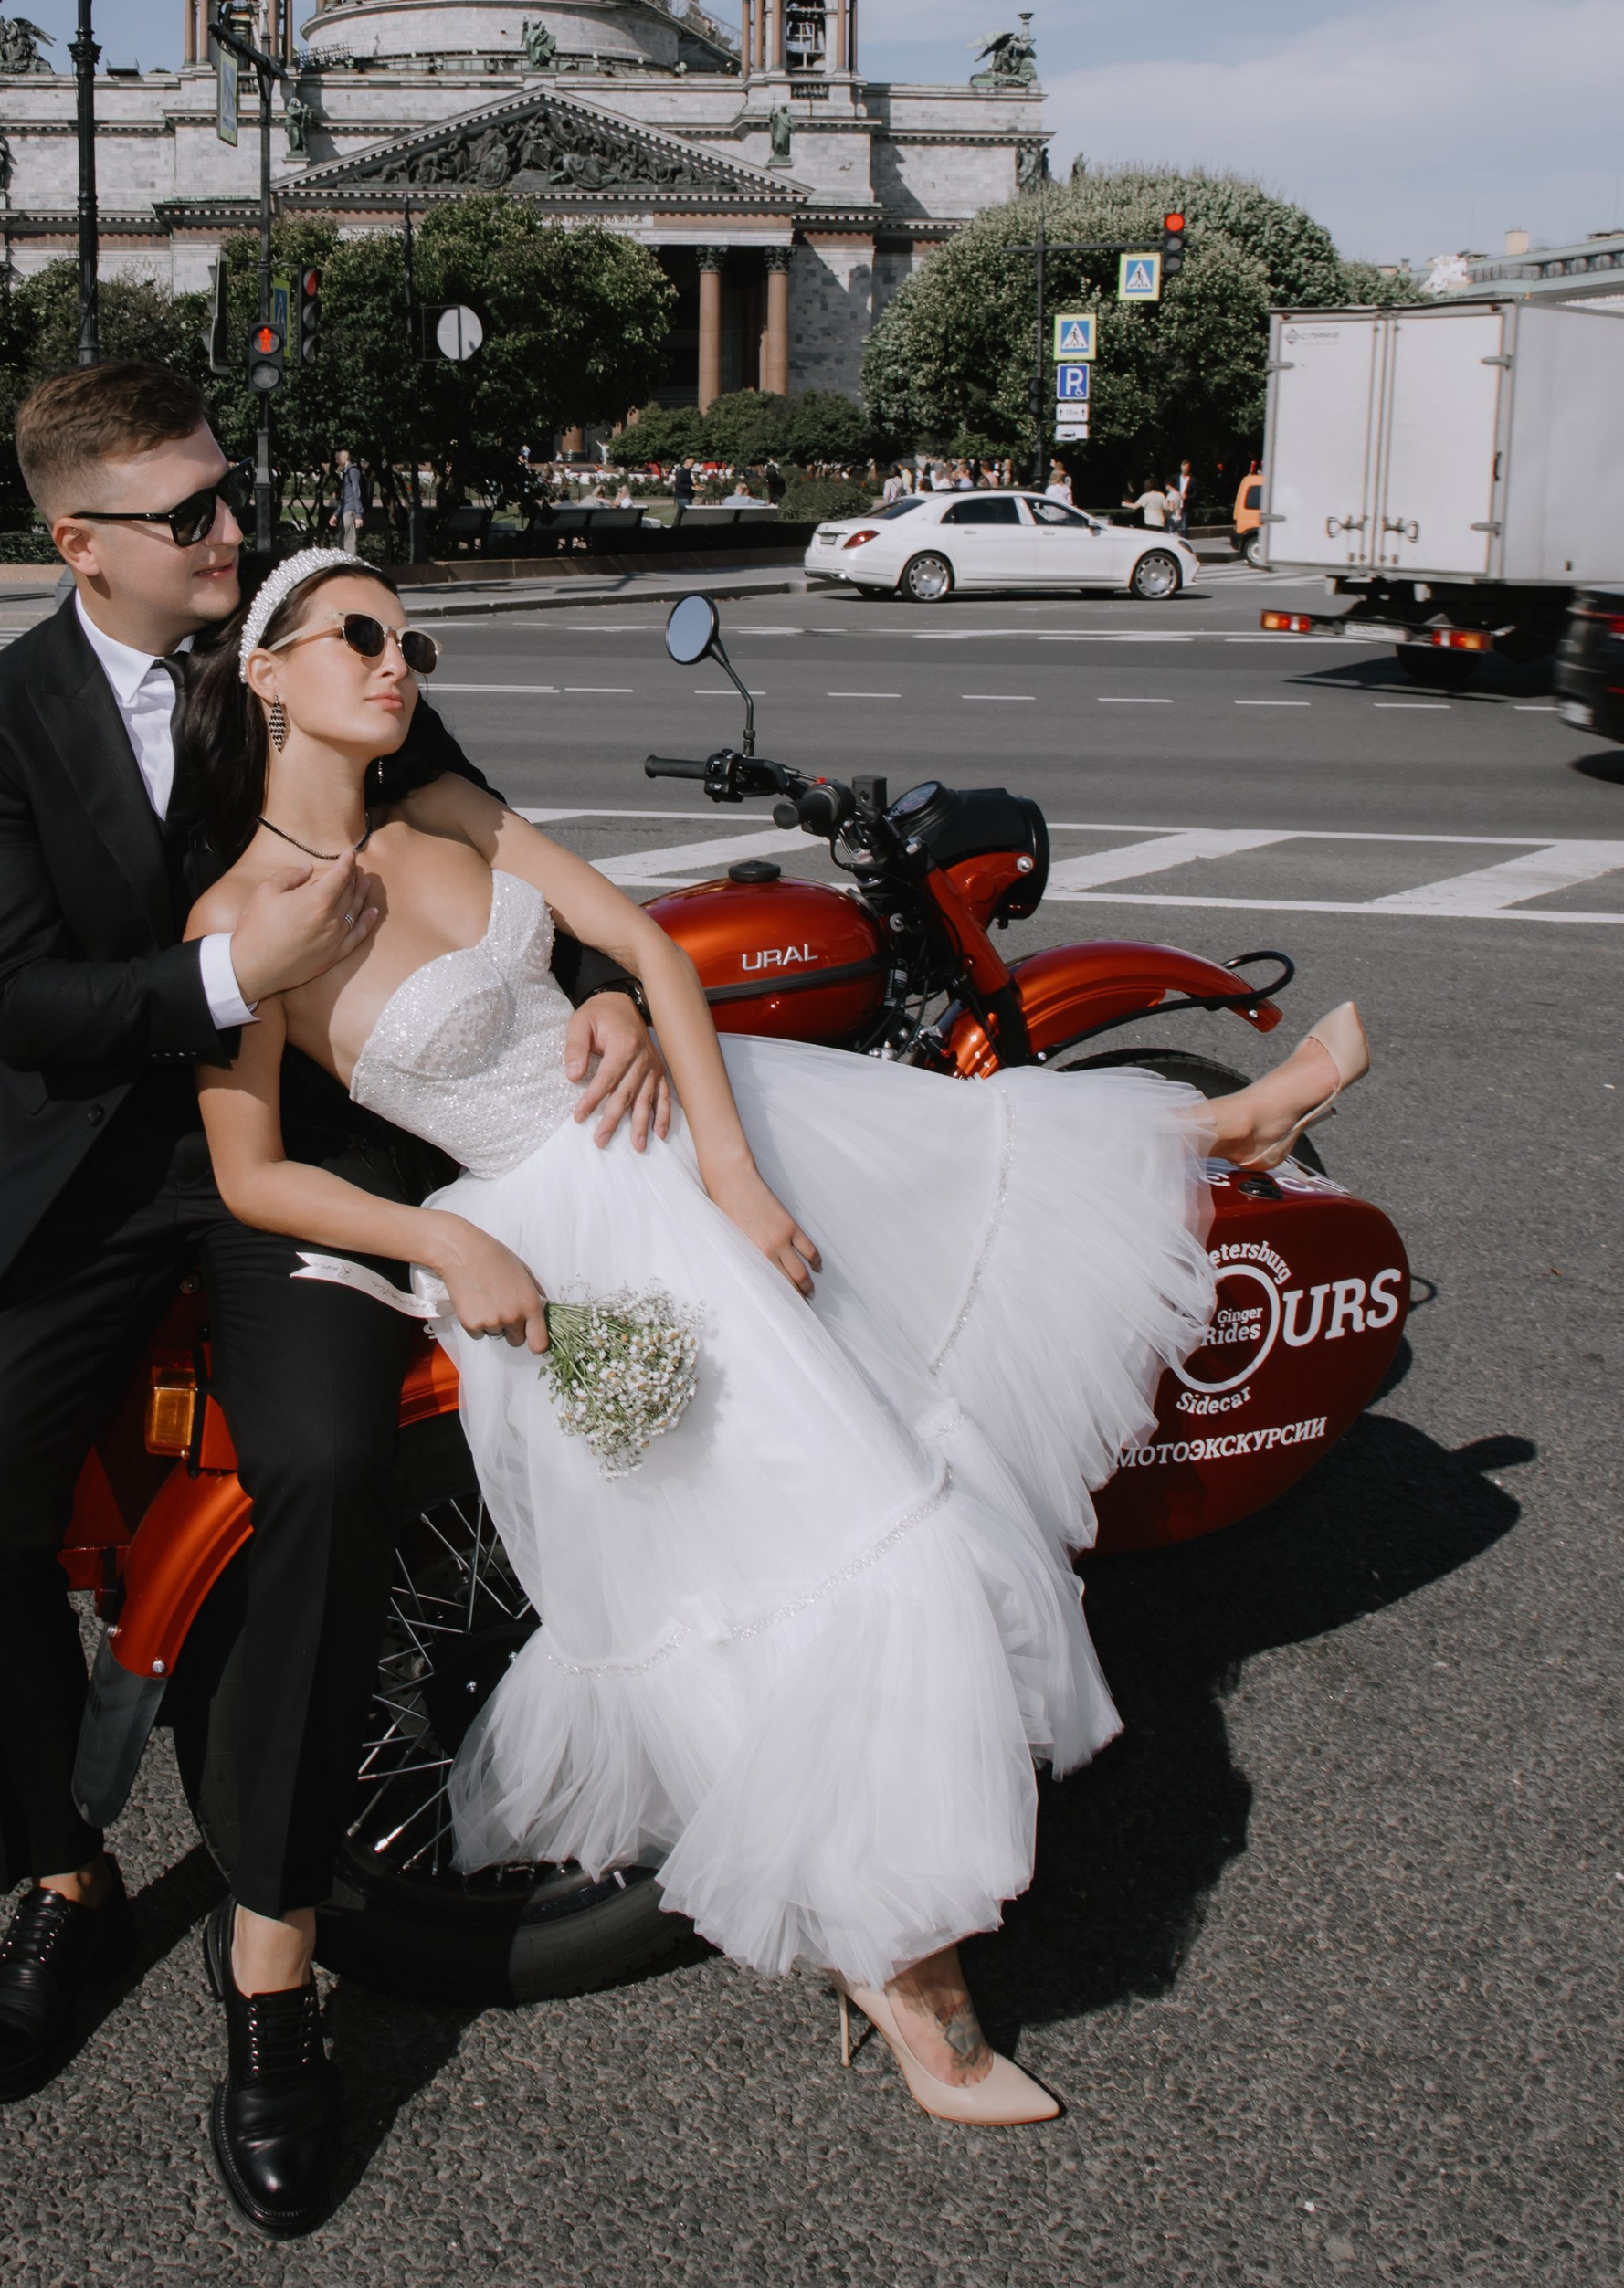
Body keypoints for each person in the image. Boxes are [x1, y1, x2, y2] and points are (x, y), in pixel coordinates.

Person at [184, 554, 1371, 2131]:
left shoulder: (447, 809)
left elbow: (653, 952)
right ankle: (907, 1977)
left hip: (689, 1142)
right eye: (357, 636)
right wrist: (443, 1239)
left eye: (410, 637)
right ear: (265, 674)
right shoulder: (238, 914)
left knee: (961, 1187)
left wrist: (729, 1165)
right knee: (796, 1563)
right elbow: (252, 1170)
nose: (395, 661)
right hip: (564, 1245)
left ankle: (1222, 1120)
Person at [0, 366, 668, 2231]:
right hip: (105, 1165)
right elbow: (18, 999)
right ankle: (68, 1878)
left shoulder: (322, 640)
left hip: (314, 1164)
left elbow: (487, 844)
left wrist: (597, 980)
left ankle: (269, 1958)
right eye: (186, 516)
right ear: (76, 540)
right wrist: (224, 970)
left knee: (327, 1469)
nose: (226, 532)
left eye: (225, 496)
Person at [334, 446, 364, 558]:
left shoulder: (353, 471)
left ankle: (350, 569)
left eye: (338, 458)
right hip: (346, 511)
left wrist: (359, 514)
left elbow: (357, 491)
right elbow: (345, 496)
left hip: (351, 511)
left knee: (350, 543)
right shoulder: (346, 473)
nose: (336, 461)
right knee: (343, 542)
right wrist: (337, 514)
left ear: (345, 457)